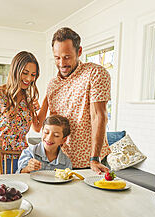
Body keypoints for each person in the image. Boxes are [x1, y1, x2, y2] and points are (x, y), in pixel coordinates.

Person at [46, 27, 111, 174]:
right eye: (57, 57)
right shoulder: (52, 85)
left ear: (79, 51)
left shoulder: (95, 73)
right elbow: (53, 124)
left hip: (92, 162)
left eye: (67, 57)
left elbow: (99, 116)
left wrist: (94, 159)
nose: (62, 63)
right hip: (62, 161)